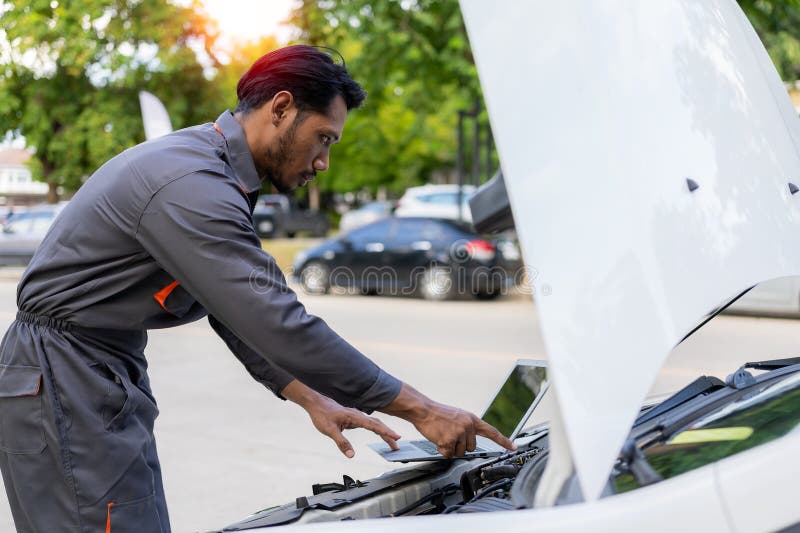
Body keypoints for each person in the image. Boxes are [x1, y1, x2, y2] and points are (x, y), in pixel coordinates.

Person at [0, 45, 513, 532]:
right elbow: (276, 319)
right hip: (64, 376)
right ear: (282, 108)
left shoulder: (215, 173)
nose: (323, 162)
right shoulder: (192, 182)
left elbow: (231, 309)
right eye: (324, 138)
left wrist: (311, 396)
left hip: (91, 372)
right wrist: (421, 409)